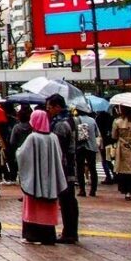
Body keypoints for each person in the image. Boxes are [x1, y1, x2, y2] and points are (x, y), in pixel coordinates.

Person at [17, 109, 67, 246]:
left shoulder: (32, 137)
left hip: (34, 181)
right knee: (48, 208)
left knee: (33, 208)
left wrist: (17, 151)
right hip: (50, 181)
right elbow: (59, 157)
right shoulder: (53, 137)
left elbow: (22, 155)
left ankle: (32, 235)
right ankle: (48, 235)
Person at [46, 94, 80, 243]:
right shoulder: (72, 119)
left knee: (66, 200)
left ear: (57, 107)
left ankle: (69, 233)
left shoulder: (60, 124)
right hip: (71, 164)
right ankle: (71, 231)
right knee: (70, 199)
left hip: (64, 166)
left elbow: (58, 147)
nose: (49, 111)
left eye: (50, 107)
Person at [74, 110, 100, 197]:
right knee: (93, 169)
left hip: (80, 147)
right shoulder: (92, 120)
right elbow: (97, 134)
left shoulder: (76, 120)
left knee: (80, 169)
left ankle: (82, 190)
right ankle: (93, 190)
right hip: (91, 147)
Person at [8, 106, 33, 186]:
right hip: (30, 151)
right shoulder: (32, 127)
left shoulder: (17, 127)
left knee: (21, 171)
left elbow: (12, 141)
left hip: (19, 150)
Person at [97, 109, 117, 185]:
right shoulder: (112, 120)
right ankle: (114, 175)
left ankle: (108, 176)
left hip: (103, 143)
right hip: (110, 143)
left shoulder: (99, 121)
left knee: (105, 161)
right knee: (109, 160)